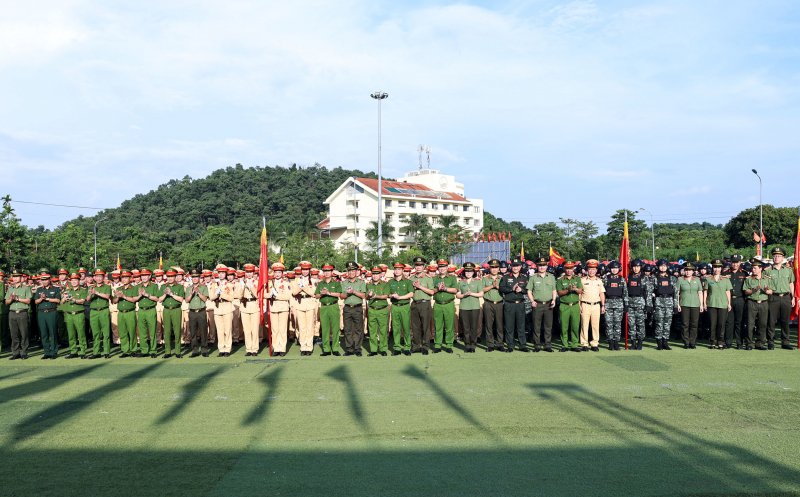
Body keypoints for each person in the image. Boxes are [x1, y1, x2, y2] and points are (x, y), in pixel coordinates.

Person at [764, 246, 796, 350]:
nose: (776, 258)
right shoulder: (767, 271)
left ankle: (785, 342)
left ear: (783, 258)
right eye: (775, 256)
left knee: (785, 321)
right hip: (773, 297)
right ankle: (771, 342)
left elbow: (791, 284)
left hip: (786, 297)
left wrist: (793, 297)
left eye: (779, 256)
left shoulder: (788, 270)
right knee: (771, 321)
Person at [526, 257, 557, 352]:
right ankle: (537, 345)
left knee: (548, 326)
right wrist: (532, 301)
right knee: (537, 326)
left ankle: (547, 345)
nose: (542, 267)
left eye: (544, 265)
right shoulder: (533, 277)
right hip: (537, 304)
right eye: (540, 265)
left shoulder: (551, 277)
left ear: (546, 266)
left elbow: (554, 290)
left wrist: (554, 300)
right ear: (537, 266)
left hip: (548, 304)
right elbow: (529, 290)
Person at [500, 258, 530, 352]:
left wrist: (522, 290)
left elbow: (528, 290)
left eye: (517, 266)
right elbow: (501, 288)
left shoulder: (524, 277)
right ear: (511, 267)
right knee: (509, 326)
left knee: (521, 326)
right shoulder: (505, 277)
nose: (515, 268)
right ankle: (510, 346)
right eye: (514, 266)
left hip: (520, 304)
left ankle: (522, 345)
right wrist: (511, 289)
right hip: (509, 304)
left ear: (520, 267)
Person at [743, 259, 773, 350]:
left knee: (762, 324)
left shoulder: (767, 279)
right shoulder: (748, 279)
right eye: (752, 268)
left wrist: (766, 291)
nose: (753, 270)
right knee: (750, 324)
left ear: (761, 269)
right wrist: (754, 290)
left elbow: (771, 291)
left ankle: (760, 343)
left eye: (755, 268)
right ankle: (749, 343)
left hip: (763, 303)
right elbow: (746, 292)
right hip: (752, 302)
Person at [315, 264, 342, 356]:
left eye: (328, 271)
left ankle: (335, 349)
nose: (327, 273)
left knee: (335, 328)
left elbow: (339, 294)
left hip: (333, 306)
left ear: (332, 272)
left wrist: (328, 293)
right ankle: (326, 349)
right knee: (325, 328)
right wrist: (322, 294)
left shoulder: (336, 283)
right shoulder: (320, 283)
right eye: (325, 271)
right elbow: (316, 296)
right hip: (323, 306)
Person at [704, 259, 732, 349]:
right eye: (715, 267)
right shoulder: (708, 279)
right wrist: (704, 303)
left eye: (719, 267)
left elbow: (728, 292)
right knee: (712, 324)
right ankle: (712, 342)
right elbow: (705, 292)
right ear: (712, 268)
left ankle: (720, 342)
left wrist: (729, 304)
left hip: (723, 304)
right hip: (711, 303)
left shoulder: (725, 279)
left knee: (721, 324)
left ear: (721, 268)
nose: (717, 269)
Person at [340, 261, 366, 356]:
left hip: (357, 308)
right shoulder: (344, 283)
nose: (351, 273)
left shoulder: (361, 283)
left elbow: (363, 295)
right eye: (349, 271)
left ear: (356, 272)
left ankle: (358, 349)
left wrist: (354, 291)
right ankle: (349, 349)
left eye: (353, 271)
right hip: (347, 308)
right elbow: (341, 296)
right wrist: (347, 293)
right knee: (348, 329)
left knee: (359, 329)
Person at [556, 261, 583, 352]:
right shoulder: (560, 280)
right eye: (567, 268)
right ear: (564, 269)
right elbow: (559, 293)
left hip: (575, 305)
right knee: (564, 326)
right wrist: (567, 290)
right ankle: (565, 345)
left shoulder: (578, 279)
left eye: (571, 268)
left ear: (573, 269)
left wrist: (575, 289)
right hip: (564, 306)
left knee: (575, 326)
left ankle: (574, 345)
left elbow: (581, 291)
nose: (569, 270)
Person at [387, 262, 414, 356]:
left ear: (403, 270)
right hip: (394, 306)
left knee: (406, 327)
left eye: (399, 269)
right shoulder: (391, 282)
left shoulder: (407, 281)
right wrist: (392, 295)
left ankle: (407, 347)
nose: (397, 271)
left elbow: (411, 293)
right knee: (396, 328)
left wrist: (400, 297)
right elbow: (387, 294)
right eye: (395, 269)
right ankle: (397, 348)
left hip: (405, 306)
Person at [456, 262, 483, 353]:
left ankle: (473, 345)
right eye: (466, 271)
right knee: (465, 327)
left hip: (475, 307)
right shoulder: (460, 283)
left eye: (470, 271)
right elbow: (457, 295)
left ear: (473, 272)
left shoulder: (478, 282)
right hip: (464, 307)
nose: (468, 273)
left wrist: (471, 293)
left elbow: (481, 293)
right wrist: (465, 295)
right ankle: (467, 345)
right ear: (464, 272)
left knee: (474, 327)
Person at [291, 261, 317, 356]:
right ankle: (303, 347)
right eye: (303, 270)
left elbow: (313, 293)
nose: (305, 272)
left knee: (310, 327)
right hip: (300, 303)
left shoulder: (314, 281)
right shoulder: (296, 281)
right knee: (302, 327)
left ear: (309, 270)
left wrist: (304, 287)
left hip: (309, 303)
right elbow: (293, 293)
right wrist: (299, 287)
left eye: (307, 270)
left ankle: (309, 346)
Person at [113, 270, 141, 358]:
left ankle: (133, 350)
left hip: (130, 312)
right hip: (121, 313)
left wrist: (123, 296)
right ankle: (125, 350)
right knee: (122, 332)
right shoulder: (118, 289)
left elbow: (133, 300)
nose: (124, 279)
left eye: (126, 277)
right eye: (123, 278)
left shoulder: (134, 288)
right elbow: (114, 301)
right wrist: (117, 297)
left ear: (130, 278)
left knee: (132, 331)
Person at [626, 259, 652, 350]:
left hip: (641, 303)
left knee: (640, 324)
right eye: (634, 267)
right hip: (630, 304)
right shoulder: (628, 276)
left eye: (637, 267)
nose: (636, 268)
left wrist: (648, 305)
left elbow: (648, 292)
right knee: (631, 324)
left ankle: (640, 342)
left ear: (640, 267)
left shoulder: (644, 277)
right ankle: (633, 342)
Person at [432, 260, 458, 353]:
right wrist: (437, 289)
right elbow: (432, 291)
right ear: (438, 268)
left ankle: (449, 345)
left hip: (448, 304)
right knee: (437, 326)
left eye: (444, 267)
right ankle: (437, 345)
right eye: (440, 267)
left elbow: (455, 290)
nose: (442, 269)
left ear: (447, 268)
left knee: (449, 326)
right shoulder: (434, 279)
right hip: (438, 304)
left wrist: (445, 288)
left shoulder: (452, 278)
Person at [5, 269, 32, 360]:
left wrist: (17, 298)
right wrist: (11, 299)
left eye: (17, 276)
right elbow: (6, 302)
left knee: (24, 333)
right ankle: (15, 352)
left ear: (21, 277)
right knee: (14, 334)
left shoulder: (26, 288)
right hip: (12, 313)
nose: (15, 278)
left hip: (22, 312)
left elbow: (28, 301)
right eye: (14, 276)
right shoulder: (10, 288)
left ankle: (24, 352)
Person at [676, 263, 704, 349]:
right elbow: (677, 293)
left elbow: (700, 292)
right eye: (686, 270)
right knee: (685, 324)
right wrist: (678, 304)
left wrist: (701, 304)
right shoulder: (680, 280)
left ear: (693, 271)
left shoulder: (697, 280)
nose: (688, 272)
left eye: (690, 270)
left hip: (695, 304)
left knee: (694, 324)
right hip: (684, 304)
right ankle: (686, 342)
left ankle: (692, 341)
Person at [61, 272, 88, 358]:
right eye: (72, 280)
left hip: (78, 314)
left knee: (81, 333)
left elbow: (83, 301)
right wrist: (65, 297)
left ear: (79, 281)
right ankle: (73, 351)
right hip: (69, 315)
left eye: (76, 280)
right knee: (71, 334)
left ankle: (83, 351)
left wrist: (74, 299)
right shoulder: (68, 291)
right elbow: (62, 302)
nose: (74, 282)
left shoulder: (83, 290)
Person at [409, 257, 434, 355]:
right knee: (415, 326)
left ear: (424, 266)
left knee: (426, 326)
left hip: (425, 303)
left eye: (420, 265)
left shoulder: (428, 278)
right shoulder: (412, 278)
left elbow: (431, 292)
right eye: (416, 265)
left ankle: (425, 347)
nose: (418, 267)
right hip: (414, 303)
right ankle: (416, 347)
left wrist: (420, 287)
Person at [268, 262, 293, 356]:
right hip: (273, 307)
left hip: (283, 308)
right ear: (273, 273)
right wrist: (270, 294)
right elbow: (265, 295)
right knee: (275, 330)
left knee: (282, 329)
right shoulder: (270, 283)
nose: (277, 274)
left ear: (282, 273)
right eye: (276, 272)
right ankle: (276, 348)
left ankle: (282, 349)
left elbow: (288, 296)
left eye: (279, 272)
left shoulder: (286, 283)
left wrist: (276, 295)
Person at [579, 260, 604, 352]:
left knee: (595, 326)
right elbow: (580, 294)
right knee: (584, 325)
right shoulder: (582, 280)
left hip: (596, 305)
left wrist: (603, 305)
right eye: (590, 269)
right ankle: (584, 344)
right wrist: (579, 305)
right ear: (587, 270)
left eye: (593, 269)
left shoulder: (599, 281)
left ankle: (594, 343)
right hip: (585, 304)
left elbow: (601, 293)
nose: (591, 271)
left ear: (596, 270)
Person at [35, 272, 61, 359]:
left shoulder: (55, 289)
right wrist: (41, 299)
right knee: (44, 333)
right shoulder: (39, 290)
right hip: (41, 312)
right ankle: (46, 352)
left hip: (52, 312)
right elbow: (36, 302)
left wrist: (47, 299)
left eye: (46, 279)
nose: (44, 281)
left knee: (53, 332)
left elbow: (58, 300)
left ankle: (54, 352)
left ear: (50, 279)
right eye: (42, 280)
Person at [652, 259, 677, 351]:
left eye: (664, 266)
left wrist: (675, 306)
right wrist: (652, 305)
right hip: (658, 302)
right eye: (661, 266)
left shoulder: (672, 278)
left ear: (667, 267)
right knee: (659, 323)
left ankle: (665, 342)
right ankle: (659, 343)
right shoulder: (654, 278)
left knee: (667, 324)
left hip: (669, 303)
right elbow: (651, 292)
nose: (663, 267)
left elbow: (675, 293)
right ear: (658, 267)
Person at [724, 255, 748, 349]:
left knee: (739, 322)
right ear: (731, 263)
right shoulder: (725, 273)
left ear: (740, 263)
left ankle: (739, 342)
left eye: (737, 262)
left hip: (740, 299)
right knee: (729, 322)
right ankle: (728, 342)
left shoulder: (744, 274)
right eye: (733, 262)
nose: (735, 264)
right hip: (728, 300)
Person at [184, 269, 210, 357]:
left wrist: (198, 293)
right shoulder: (188, 288)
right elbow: (186, 301)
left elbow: (205, 299)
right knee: (193, 332)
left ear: (199, 278)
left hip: (201, 312)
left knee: (203, 332)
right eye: (193, 277)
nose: (194, 279)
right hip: (192, 312)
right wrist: (191, 294)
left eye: (196, 277)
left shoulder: (203, 287)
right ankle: (195, 350)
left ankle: (204, 350)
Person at [88, 269, 112, 359]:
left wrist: (96, 293)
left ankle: (106, 352)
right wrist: (91, 293)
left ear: (103, 277)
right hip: (94, 311)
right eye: (97, 276)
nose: (98, 278)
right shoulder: (91, 287)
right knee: (95, 333)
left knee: (106, 332)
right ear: (94, 277)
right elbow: (87, 299)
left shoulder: (107, 286)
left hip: (104, 310)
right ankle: (96, 352)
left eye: (100, 276)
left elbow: (107, 296)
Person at [365, 267, 390, 356]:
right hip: (372, 309)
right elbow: (366, 298)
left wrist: (376, 296)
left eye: (377, 274)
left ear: (380, 274)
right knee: (372, 331)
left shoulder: (385, 284)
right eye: (373, 274)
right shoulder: (368, 285)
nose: (375, 276)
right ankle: (374, 350)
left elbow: (386, 296)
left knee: (383, 330)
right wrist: (368, 296)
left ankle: (383, 349)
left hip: (382, 309)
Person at [137, 269, 161, 358]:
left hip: (151, 309)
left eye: (146, 275)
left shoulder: (154, 286)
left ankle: (153, 350)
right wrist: (140, 295)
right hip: (141, 310)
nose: (143, 277)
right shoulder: (138, 286)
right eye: (142, 275)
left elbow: (157, 299)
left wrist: (146, 294)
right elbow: (135, 298)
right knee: (142, 332)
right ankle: (144, 350)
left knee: (152, 331)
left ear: (150, 276)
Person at [161, 269, 186, 358]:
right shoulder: (163, 286)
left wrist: (171, 294)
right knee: (166, 331)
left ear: (175, 277)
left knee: (177, 330)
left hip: (176, 309)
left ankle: (178, 351)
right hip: (166, 310)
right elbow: (159, 299)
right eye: (168, 276)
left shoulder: (179, 286)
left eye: (172, 276)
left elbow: (181, 299)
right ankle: (167, 352)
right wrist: (165, 294)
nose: (170, 278)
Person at [482, 259, 504, 352]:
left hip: (499, 303)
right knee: (488, 325)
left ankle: (500, 344)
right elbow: (482, 289)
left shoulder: (502, 278)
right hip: (488, 303)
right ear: (489, 268)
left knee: (499, 325)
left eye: (496, 267)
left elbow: (505, 289)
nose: (494, 269)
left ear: (499, 268)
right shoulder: (485, 278)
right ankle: (490, 345)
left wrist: (498, 287)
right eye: (492, 267)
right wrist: (491, 286)